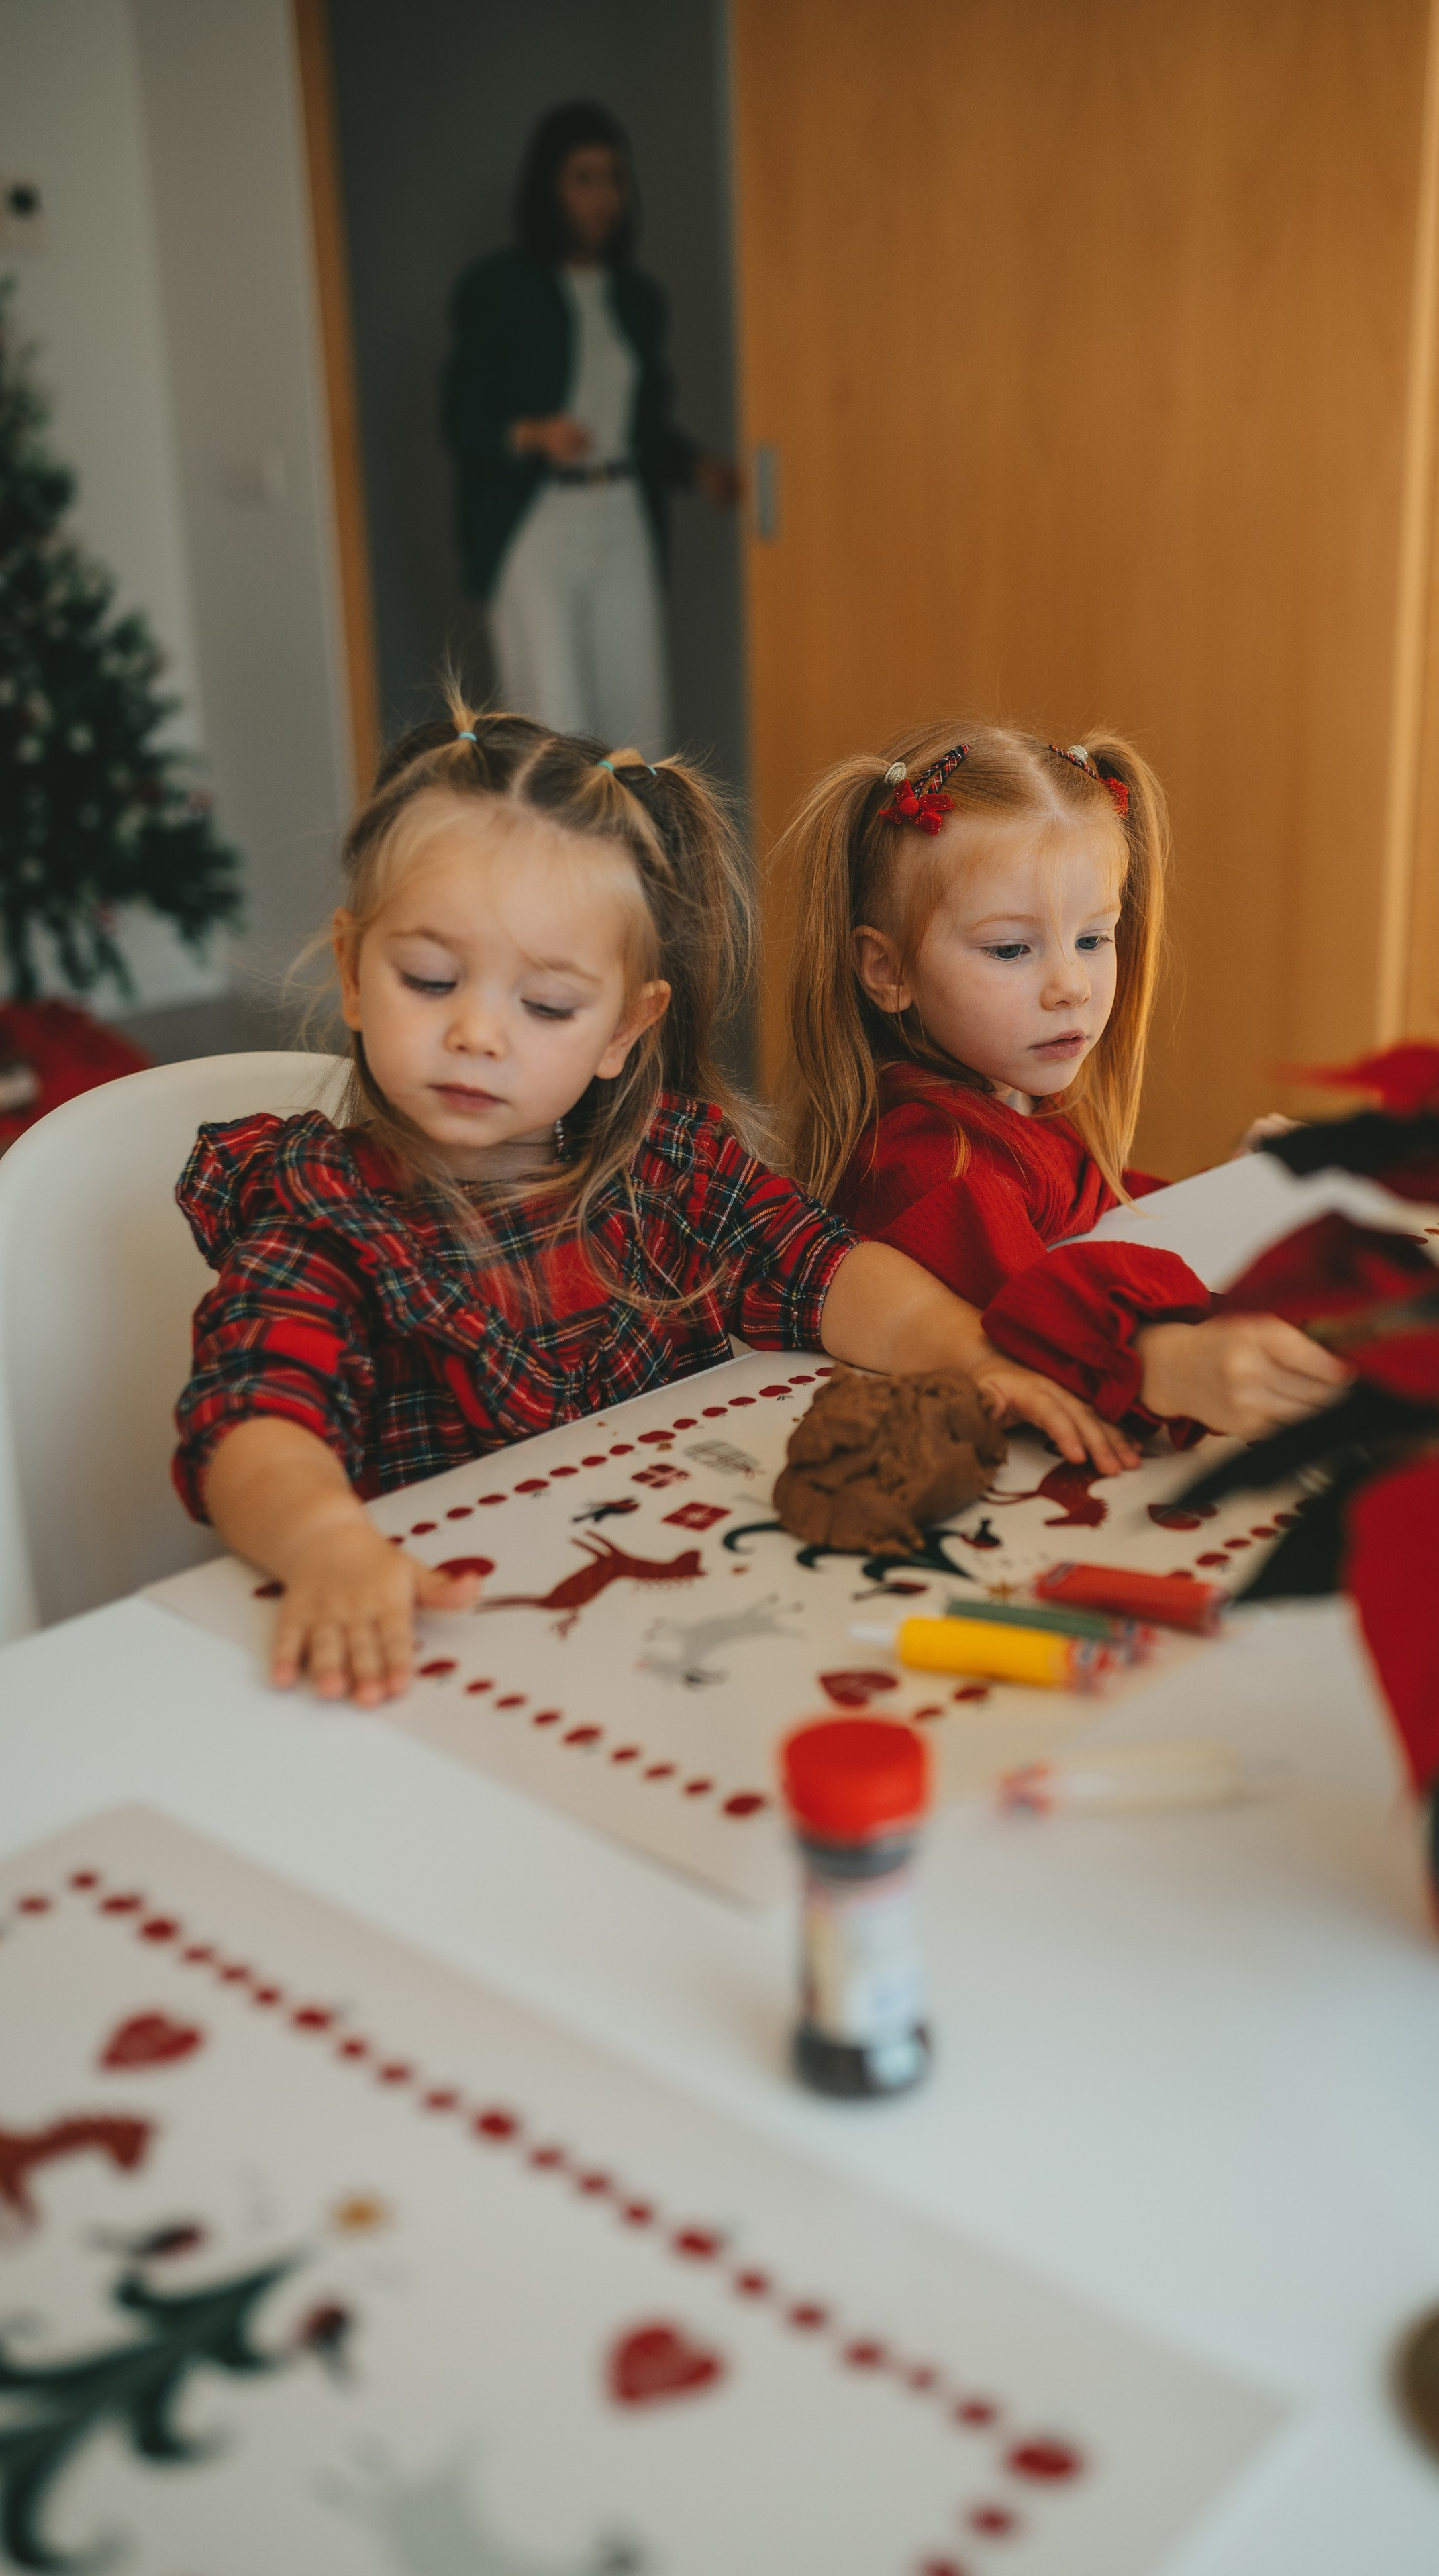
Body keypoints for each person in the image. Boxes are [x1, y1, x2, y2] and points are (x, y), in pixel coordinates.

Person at [172, 705, 1127, 1708]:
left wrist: (969, 1354)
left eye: (546, 1005)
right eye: (430, 979)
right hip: (442, 1653)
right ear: (354, 973)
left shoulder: (671, 1176)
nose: (478, 1034)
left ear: (627, 1028)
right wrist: (326, 1544)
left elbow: (829, 1273)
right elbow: (255, 1424)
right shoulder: (319, 1220)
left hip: (667, 1649)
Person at [777, 723, 1350, 1441]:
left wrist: (1233, 1192)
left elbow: (1102, 1224)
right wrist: (1171, 1357)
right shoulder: (927, 1160)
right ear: (887, 970)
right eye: (1011, 948)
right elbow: (1044, 1308)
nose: (1070, 986)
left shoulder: (1023, 1102)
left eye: (1092, 938)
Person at [440, 101, 736, 754]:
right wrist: (529, 431)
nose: (605, 196)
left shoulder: (636, 296)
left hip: (622, 513)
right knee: (552, 719)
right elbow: (462, 415)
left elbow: (646, 426)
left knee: (639, 712)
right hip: (536, 520)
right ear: (549, 186)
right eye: (585, 177)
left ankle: (641, 855)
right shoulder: (497, 288)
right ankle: (561, 856)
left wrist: (699, 468)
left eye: (615, 178)